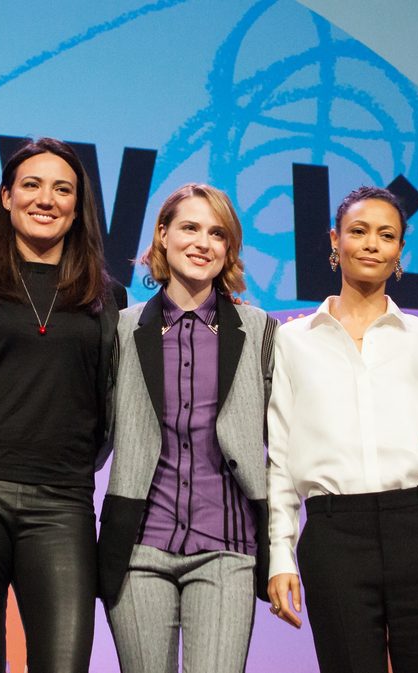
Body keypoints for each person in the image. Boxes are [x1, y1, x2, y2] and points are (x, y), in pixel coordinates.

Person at [0, 137, 125, 673]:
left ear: (77, 205)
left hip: (62, 502)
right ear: (6, 198)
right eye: (32, 185)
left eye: (63, 188)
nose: (47, 199)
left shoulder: (106, 297)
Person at [264, 186, 418, 673]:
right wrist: (279, 555)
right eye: (358, 231)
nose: (372, 244)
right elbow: (281, 455)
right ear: (336, 241)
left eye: (386, 235)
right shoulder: (292, 340)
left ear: (400, 252)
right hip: (335, 535)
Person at [99, 183, 275, 673]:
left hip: (227, 547)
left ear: (229, 248)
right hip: (139, 546)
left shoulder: (259, 330)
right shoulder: (120, 329)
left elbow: (286, 435)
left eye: (217, 233)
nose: (203, 242)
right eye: (190, 228)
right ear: (162, 235)